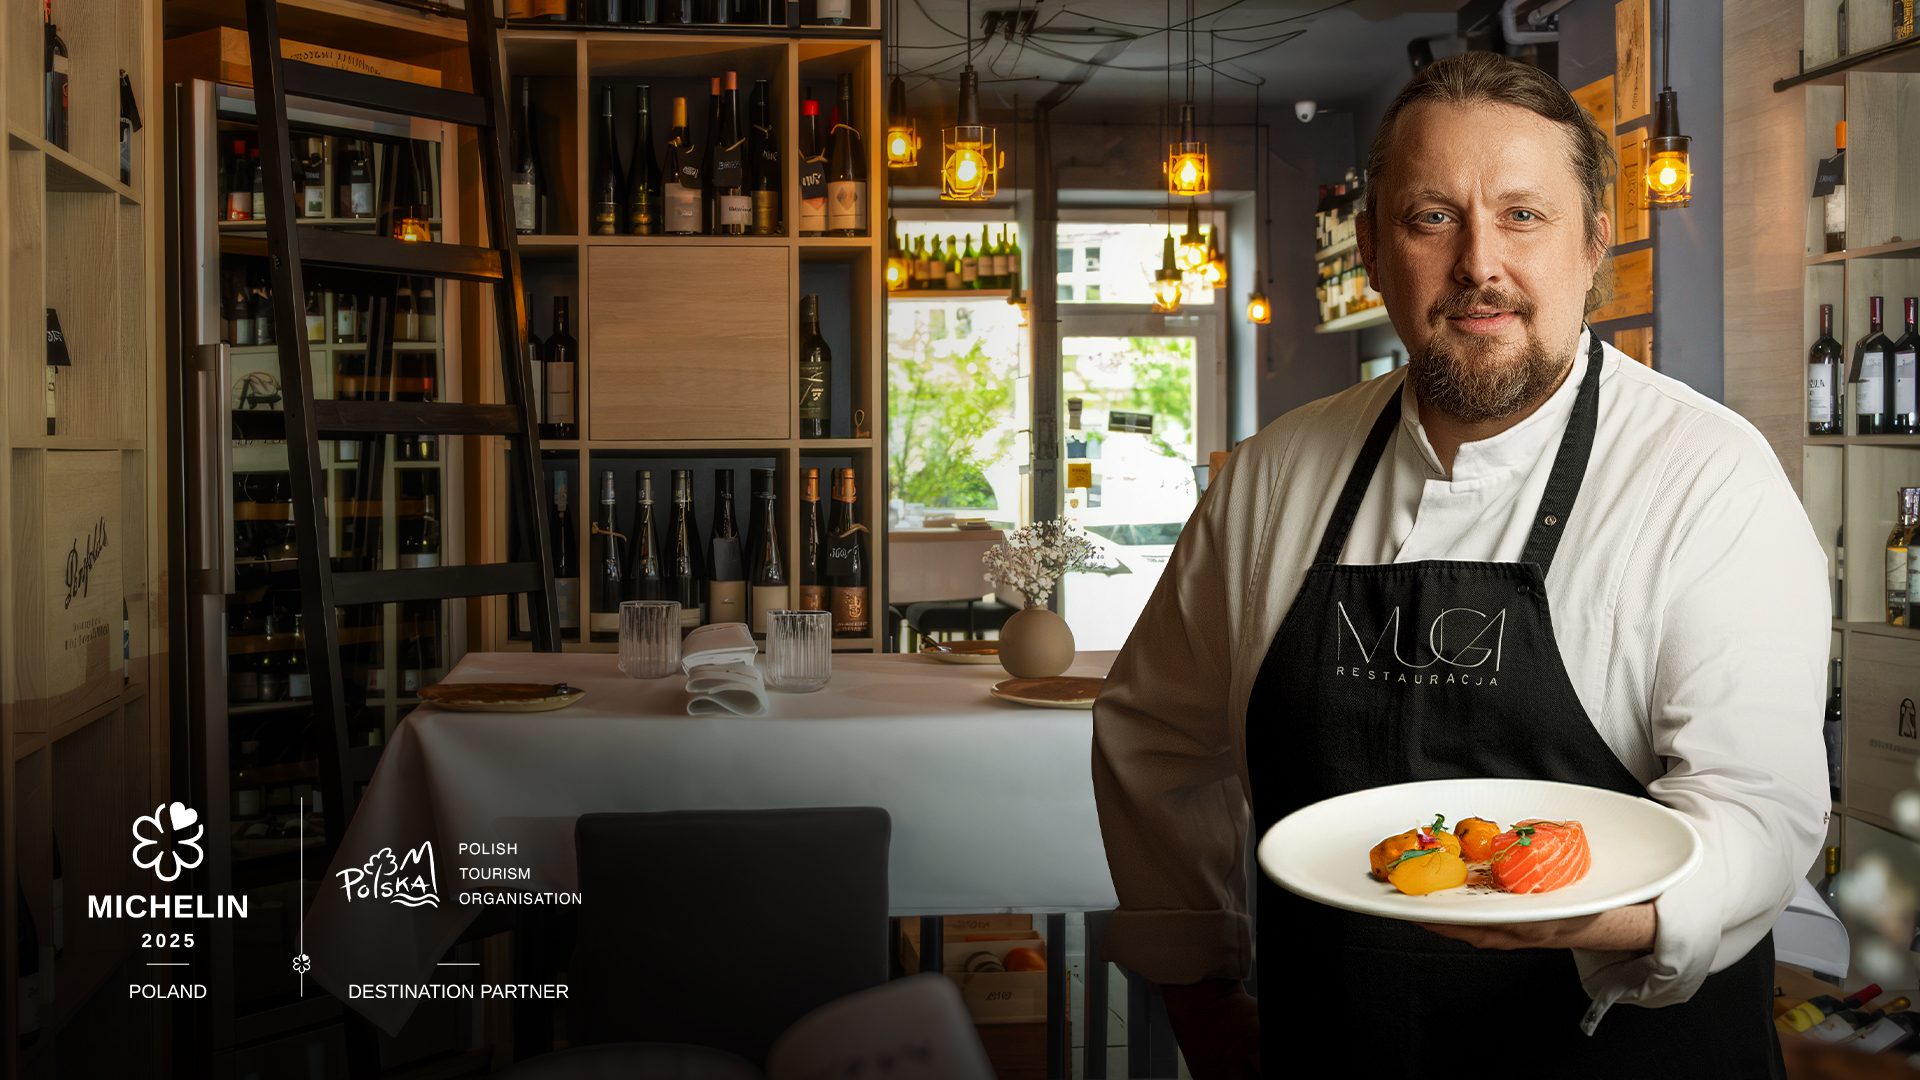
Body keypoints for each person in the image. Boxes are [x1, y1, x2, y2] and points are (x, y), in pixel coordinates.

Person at [1091, 51, 1827, 1079]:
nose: (1481, 263)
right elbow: (1154, 741)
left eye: (1524, 216)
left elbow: (1761, 808)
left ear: (1593, 249)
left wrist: (1609, 917)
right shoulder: (1272, 477)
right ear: (1373, 251)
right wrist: (1204, 1008)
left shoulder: (1708, 477)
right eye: (1432, 216)